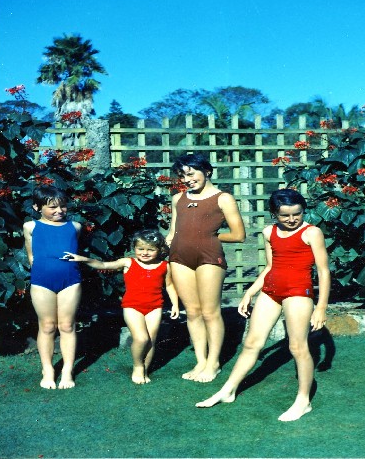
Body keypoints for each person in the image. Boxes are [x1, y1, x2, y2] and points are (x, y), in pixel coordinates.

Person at [196, 189, 330, 421]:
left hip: (298, 292)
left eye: (296, 214)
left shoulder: (312, 233)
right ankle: (228, 390)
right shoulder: (269, 232)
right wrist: (249, 292)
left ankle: (303, 401)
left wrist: (321, 308)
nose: (291, 219)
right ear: (274, 214)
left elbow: (324, 271)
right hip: (271, 290)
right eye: (285, 215)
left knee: (298, 347)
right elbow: (270, 267)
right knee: (251, 343)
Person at [166, 153, 246, 383]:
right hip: (179, 258)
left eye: (191, 173)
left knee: (210, 312)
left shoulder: (223, 198)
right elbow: (173, 233)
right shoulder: (177, 199)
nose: (187, 179)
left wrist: (209, 236)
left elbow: (239, 235)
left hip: (209, 257)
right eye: (182, 176)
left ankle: (214, 363)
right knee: (192, 311)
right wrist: (163, 251)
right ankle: (200, 360)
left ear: (207, 171)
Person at [64, 229, 179, 384]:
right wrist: (83, 259)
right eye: (141, 249)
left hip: (155, 307)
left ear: (159, 250)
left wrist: (175, 305)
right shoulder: (128, 262)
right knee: (141, 338)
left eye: (150, 250)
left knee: (151, 340)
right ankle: (138, 366)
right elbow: (103, 264)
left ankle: (145, 368)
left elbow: (170, 285)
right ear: (134, 248)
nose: (145, 253)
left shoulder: (164, 266)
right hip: (132, 306)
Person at [23, 186, 83, 390]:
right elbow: (32, 256)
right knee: (47, 326)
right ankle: (48, 369)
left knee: (67, 325)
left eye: (63, 206)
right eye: (52, 207)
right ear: (37, 207)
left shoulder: (75, 226)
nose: (59, 211)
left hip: (70, 280)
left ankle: (67, 369)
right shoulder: (30, 226)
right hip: (42, 281)